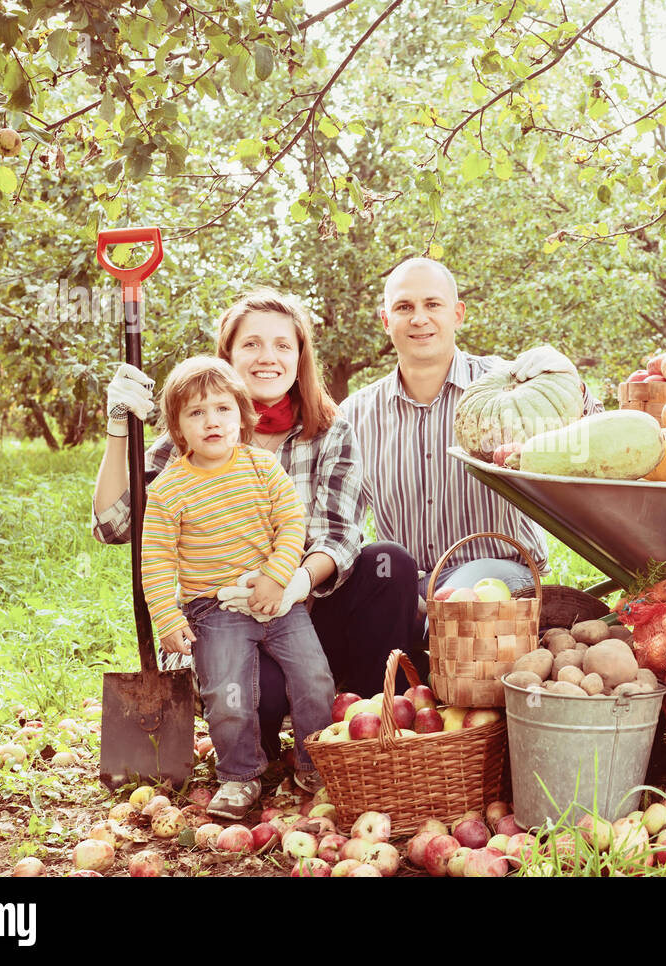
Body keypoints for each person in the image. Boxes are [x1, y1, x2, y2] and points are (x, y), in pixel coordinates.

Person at [92, 289, 423, 748]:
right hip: (226, 623)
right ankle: (257, 740)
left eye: (283, 345)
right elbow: (116, 526)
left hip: (307, 617)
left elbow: (339, 536)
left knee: (389, 563)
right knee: (258, 697)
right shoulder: (196, 435)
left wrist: (294, 584)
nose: (268, 357)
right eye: (251, 344)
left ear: (299, 358)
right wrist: (118, 428)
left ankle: (365, 732)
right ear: (227, 355)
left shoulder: (330, 432)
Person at [341, 257, 602, 604]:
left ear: (458, 314)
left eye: (433, 304)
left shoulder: (511, 387)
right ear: (386, 320)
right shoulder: (355, 414)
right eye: (404, 307)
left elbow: (590, 443)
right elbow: (343, 523)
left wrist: (573, 386)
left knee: (456, 604)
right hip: (406, 581)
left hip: (498, 572)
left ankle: (427, 621)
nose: (419, 318)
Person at [141, 356, 334, 819]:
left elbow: (292, 524)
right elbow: (157, 559)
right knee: (227, 694)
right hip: (214, 610)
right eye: (196, 412)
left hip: (275, 601)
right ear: (177, 428)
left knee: (315, 678)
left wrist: (277, 576)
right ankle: (239, 774)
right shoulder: (168, 490)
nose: (212, 421)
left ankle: (314, 763)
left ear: (243, 416)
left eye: (223, 409)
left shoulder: (263, 467)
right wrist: (166, 617)